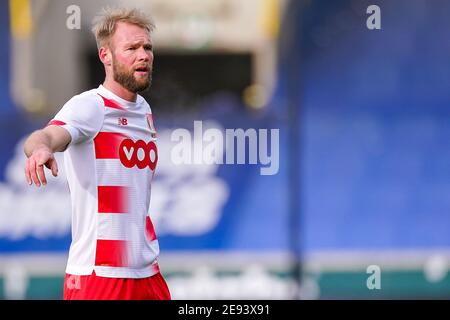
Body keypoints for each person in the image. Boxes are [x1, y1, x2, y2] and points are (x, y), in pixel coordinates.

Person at [23, 7, 170, 300]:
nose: (143, 55)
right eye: (131, 48)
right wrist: (40, 149)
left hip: (147, 273)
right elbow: (47, 135)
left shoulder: (143, 111)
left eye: (147, 47)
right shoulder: (91, 106)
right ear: (106, 56)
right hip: (101, 277)